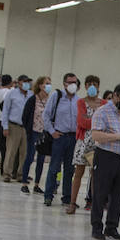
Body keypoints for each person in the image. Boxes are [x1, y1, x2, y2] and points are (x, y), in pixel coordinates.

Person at [89, 82, 120, 240]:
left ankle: (112, 226)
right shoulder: (102, 112)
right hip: (105, 156)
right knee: (100, 193)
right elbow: (96, 135)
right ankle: (97, 226)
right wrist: (118, 136)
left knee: (118, 194)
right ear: (115, 96)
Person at [42, 73, 81, 207]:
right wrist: (52, 132)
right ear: (64, 83)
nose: (72, 85)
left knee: (70, 169)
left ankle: (67, 197)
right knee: (54, 167)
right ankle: (48, 195)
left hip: (73, 138)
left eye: (75, 82)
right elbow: (46, 115)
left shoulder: (78, 100)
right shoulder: (56, 96)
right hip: (60, 137)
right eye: (70, 82)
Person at [66, 76, 104, 215]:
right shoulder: (81, 102)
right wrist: (95, 121)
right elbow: (82, 122)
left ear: (99, 86)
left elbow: (103, 123)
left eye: (95, 84)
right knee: (78, 173)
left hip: (98, 143)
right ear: (86, 86)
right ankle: (72, 202)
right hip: (83, 141)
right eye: (89, 84)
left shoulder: (104, 103)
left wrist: (90, 120)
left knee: (96, 174)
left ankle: (94, 204)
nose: (92, 86)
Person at [20, 77, 51, 194]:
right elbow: (25, 116)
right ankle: (24, 182)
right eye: (46, 84)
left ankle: (37, 184)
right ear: (40, 85)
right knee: (30, 157)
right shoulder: (33, 99)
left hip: (44, 133)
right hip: (34, 132)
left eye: (49, 84)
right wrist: (28, 129)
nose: (48, 86)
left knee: (41, 159)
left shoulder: (50, 100)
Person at [0, 74, 31, 182]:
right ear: (19, 83)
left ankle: (21, 174)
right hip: (14, 126)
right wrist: (5, 127)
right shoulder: (12, 94)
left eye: (28, 82)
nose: (26, 84)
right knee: (11, 151)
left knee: (24, 152)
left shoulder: (30, 95)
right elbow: (5, 111)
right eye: (24, 81)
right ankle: (7, 173)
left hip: (26, 127)